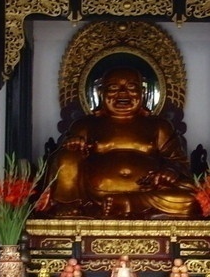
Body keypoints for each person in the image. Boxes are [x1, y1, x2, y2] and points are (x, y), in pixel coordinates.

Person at [44, 67, 201, 219]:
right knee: (67, 155)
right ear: (100, 93)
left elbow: (178, 162)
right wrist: (74, 144)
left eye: (132, 87)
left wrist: (170, 171)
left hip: (147, 194)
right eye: (113, 87)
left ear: (143, 93)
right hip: (91, 197)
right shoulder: (85, 125)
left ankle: (127, 203)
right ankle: (69, 203)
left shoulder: (159, 126)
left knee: (189, 199)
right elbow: (64, 160)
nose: (123, 93)